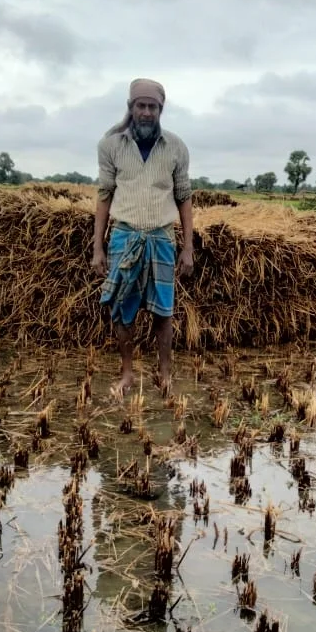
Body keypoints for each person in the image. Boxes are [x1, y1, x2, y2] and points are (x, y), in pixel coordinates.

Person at [92, 78, 194, 396]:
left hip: (162, 238)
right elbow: (104, 195)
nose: (146, 112)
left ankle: (165, 375)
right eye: (141, 105)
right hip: (124, 236)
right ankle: (127, 375)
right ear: (131, 107)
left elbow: (184, 198)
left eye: (152, 106)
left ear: (160, 109)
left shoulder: (176, 147)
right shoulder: (110, 146)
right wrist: (98, 246)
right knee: (124, 309)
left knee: (163, 311)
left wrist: (188, 247)